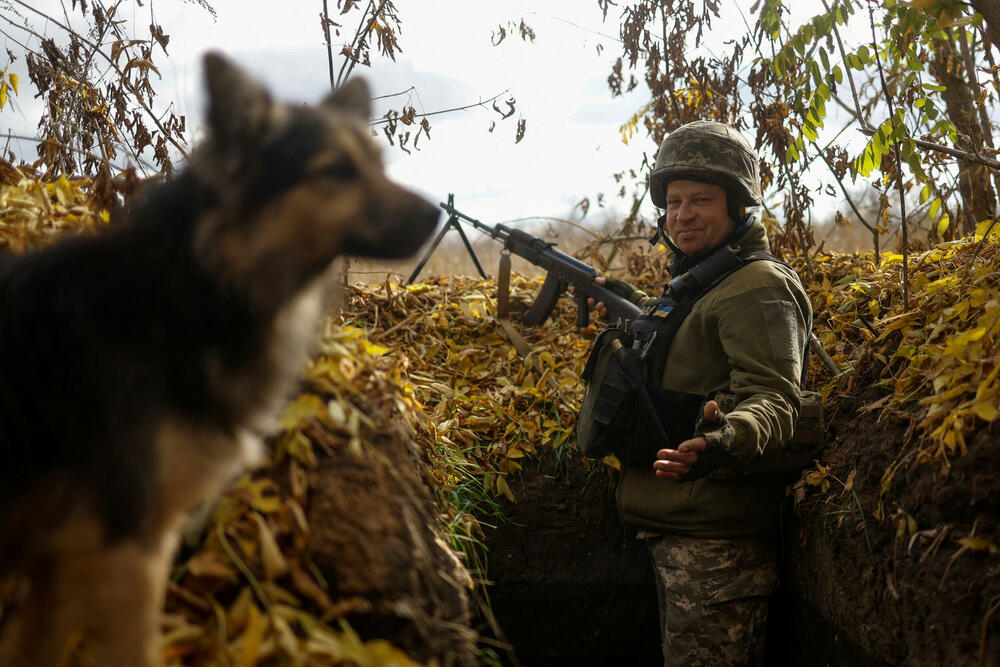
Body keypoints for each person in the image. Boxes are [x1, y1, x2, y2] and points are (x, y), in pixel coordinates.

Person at [587, 120, 812, 666]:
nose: (682, 215)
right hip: (674, 528)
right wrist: (635, 303)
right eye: (673, 202)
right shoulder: (705, 278)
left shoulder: (757, 285)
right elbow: (692, 342)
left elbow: (775, 398)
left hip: (716, 548)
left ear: (737, 206)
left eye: (701, 201)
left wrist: (724, 437)